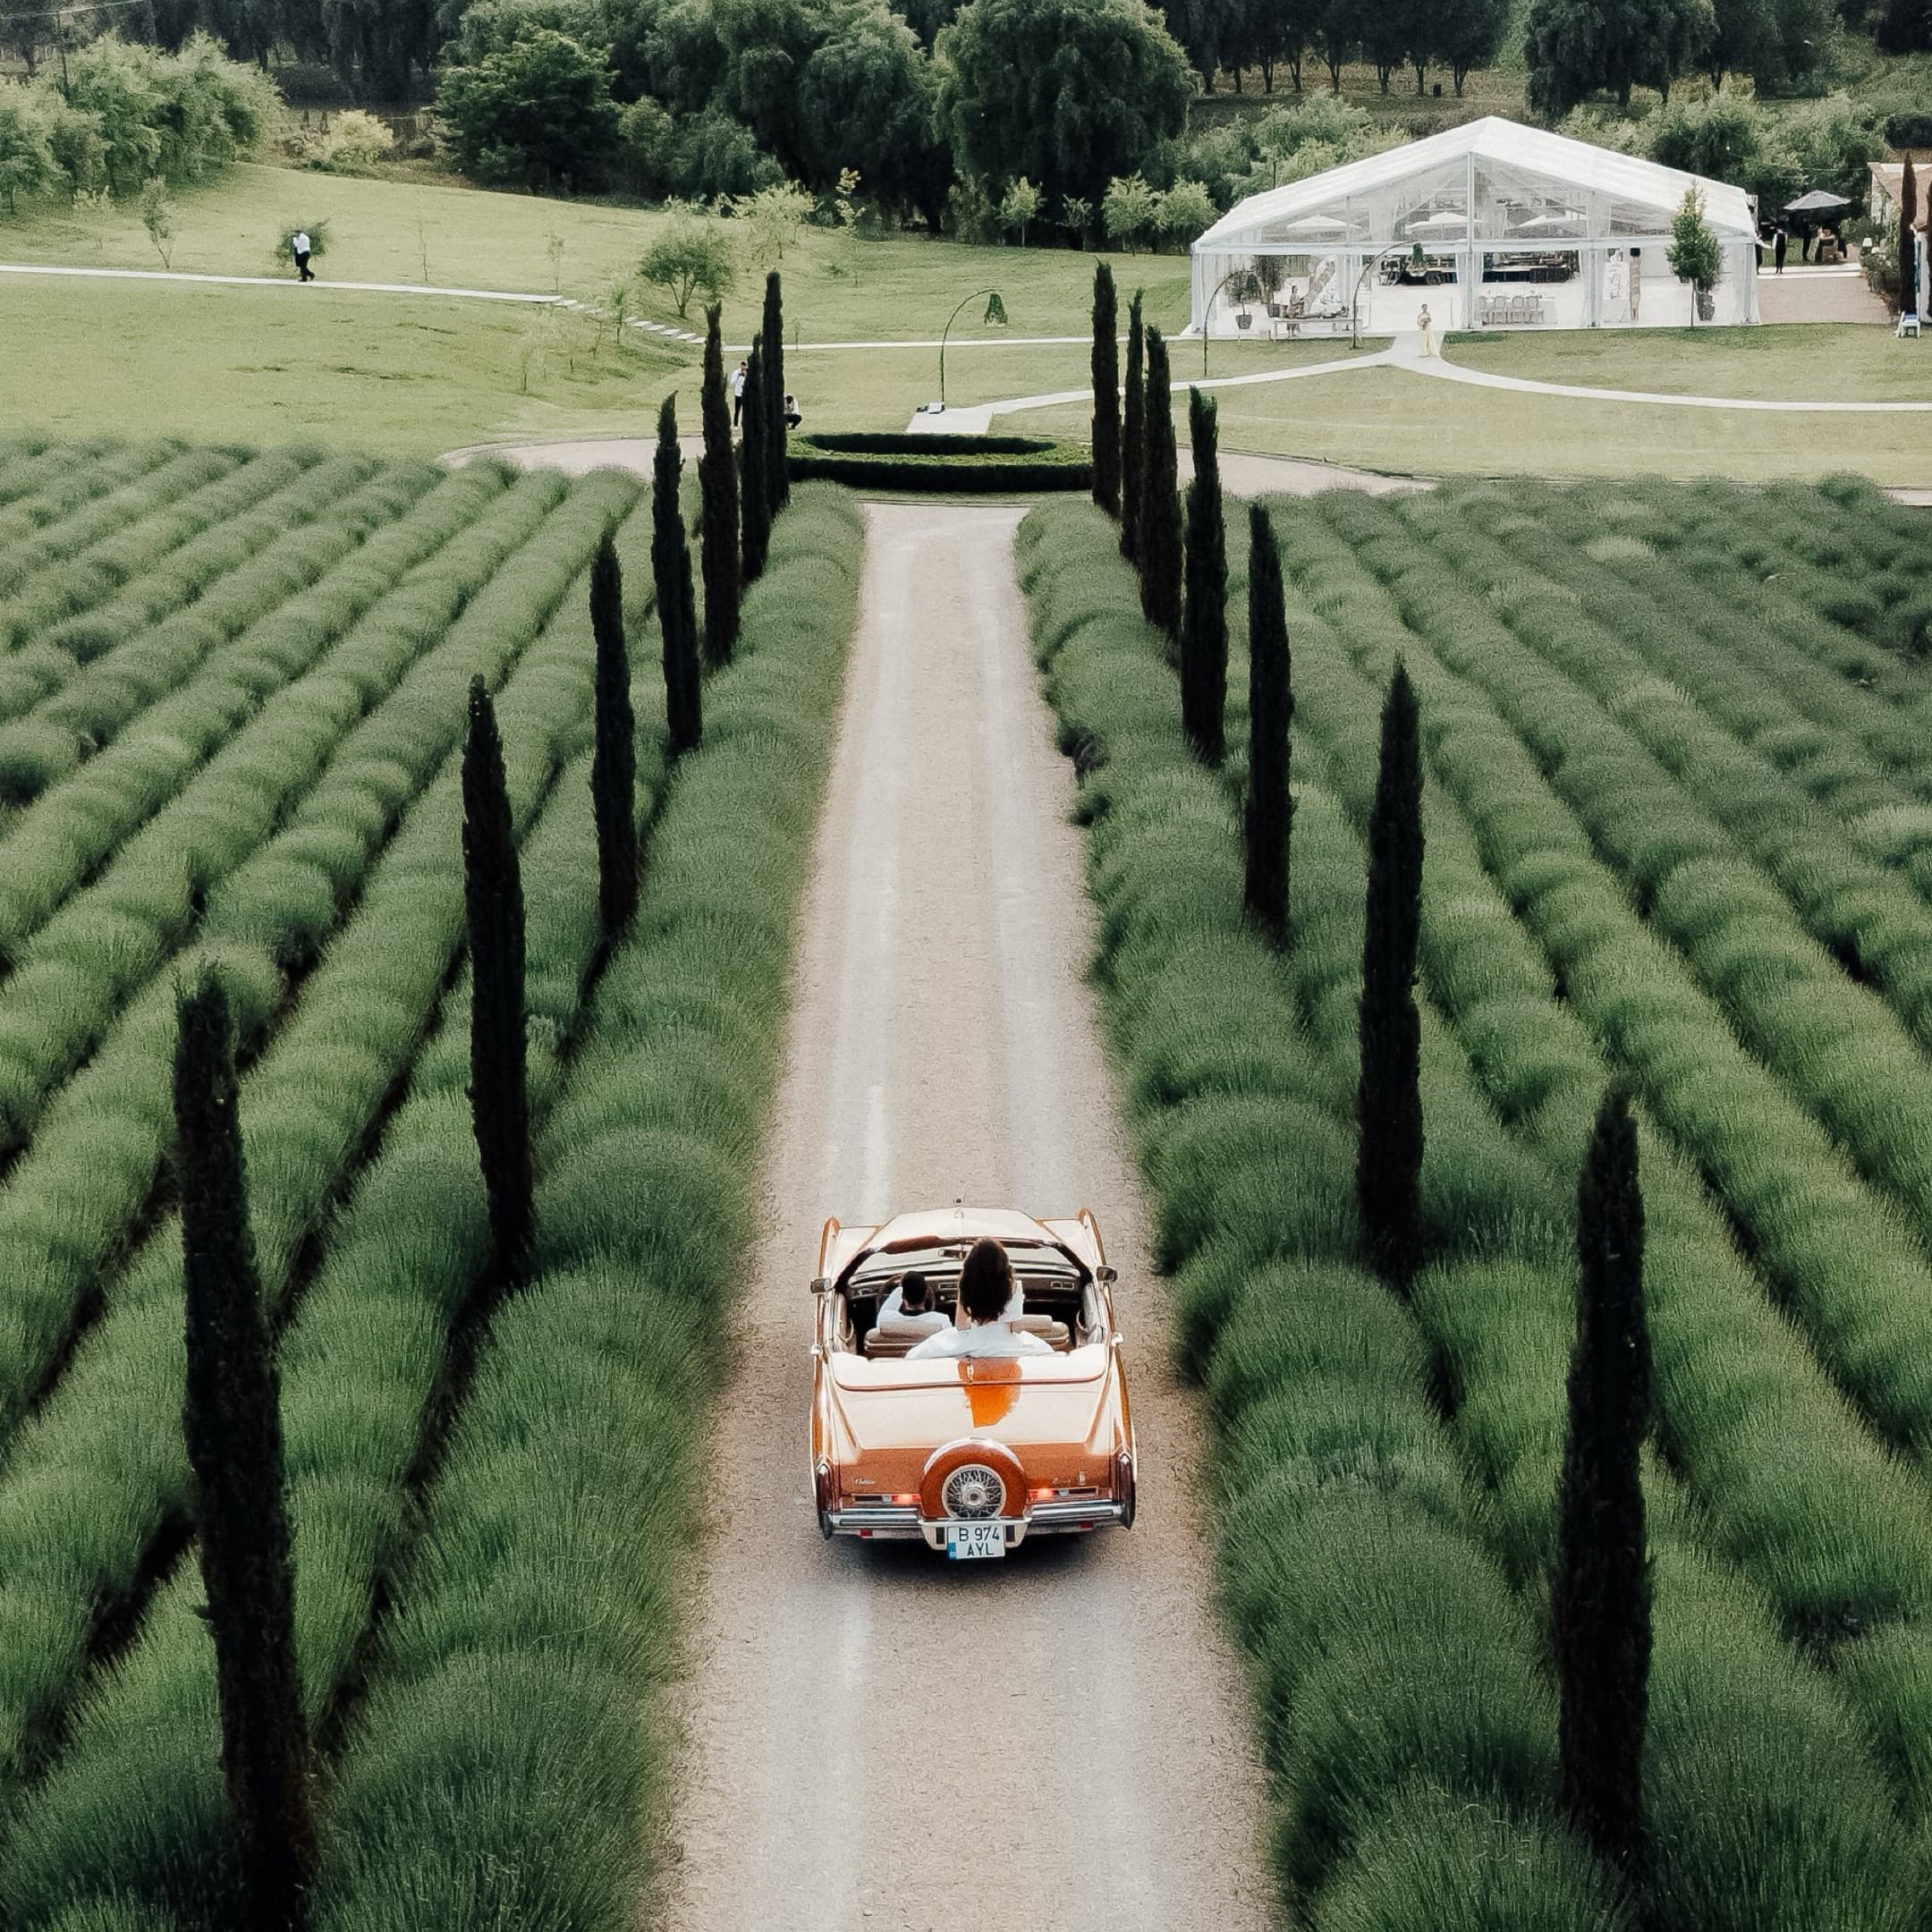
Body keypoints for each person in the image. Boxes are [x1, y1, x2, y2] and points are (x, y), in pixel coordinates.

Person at [907, 1238, 1050, 1360]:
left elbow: (961, 1325)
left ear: (965, 1288)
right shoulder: (1042, 1352)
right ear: (1010, 1289)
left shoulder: (936, 1349)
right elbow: (1016, 1328)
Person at [874, 1269, 948, 1340]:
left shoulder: (885, 1320)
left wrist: (900, 1289)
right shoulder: (941, 1321)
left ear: (902, 1296)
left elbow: (886, 1309)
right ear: (926, 1294)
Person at [731, 360, 748, 428]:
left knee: (746, 410)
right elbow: (732, 382)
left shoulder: (747, 372)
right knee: (737, 410)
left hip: (745, 394)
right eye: (743, 367)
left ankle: (745, 424)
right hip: (738, 394)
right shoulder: (736, 372)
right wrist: (738, 376)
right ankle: (735, 425)